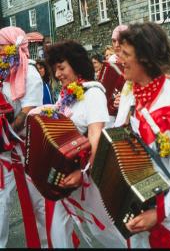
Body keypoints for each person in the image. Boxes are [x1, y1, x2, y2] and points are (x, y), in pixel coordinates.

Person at [34, 40, 126, 248]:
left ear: (76, 64)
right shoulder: (66, 95)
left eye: (61, 68)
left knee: (105, 230)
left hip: (87, 177)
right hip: (63, 176)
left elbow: (96, 137)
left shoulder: (93, 93)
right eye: (54, 69)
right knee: (57, 227)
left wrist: (82, 173)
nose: (57, 75)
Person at [114, 22, 170, 248]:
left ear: (146, 59)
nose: (119, 59)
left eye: (126, 54)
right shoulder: (132, 92)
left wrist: (160, 211)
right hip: (135, 203)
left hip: (164, 213)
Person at [0, 26, 47, 247]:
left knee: (39, 205)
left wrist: (5, 133)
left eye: (0, 47)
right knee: (1, 201)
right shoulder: (3, 71)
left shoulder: (30, 72)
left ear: (11, 47)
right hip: (5, 151)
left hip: (28, 148)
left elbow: (28, 112)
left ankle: (49, 243)